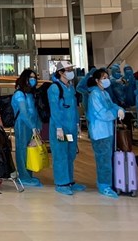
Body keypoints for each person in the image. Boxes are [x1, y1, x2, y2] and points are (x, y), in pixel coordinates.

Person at [86, 68, 125, 198]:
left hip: (107, 131)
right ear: (97, 80)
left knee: (107, 159)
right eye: (104, 78)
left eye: (107, 77)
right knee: (103, 160)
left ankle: (106, 183)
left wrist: (119, 109)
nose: (106, 80)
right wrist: (115, 113)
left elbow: (112, 105)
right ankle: (104, 185)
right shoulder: (94, 95)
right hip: (99, 132)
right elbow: (101, 113)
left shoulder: (105, 93)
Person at [48, 60, 85, 195]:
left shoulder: (70, 87)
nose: (71, 72)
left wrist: (76, 123)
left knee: (70, 154)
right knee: (60, 154)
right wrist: (58, 127)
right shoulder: (54, 88)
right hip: (60, 127)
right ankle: (61, 183)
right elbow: (55, 109)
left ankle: (70, 181)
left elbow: (73, 108)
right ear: (60, 72)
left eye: (71, 69)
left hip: (71, 126)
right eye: (68, 70)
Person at [11, 69, 43, 186]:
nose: (33, 80)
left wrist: (37, 125)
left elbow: (35, 111)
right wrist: (32, 126)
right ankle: (23, 176)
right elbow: (23, 113)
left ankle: (29, 175)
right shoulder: (19, 94)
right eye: (30, 77)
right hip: (23, 124)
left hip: (32, 124)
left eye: (34, 77)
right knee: (22, 150)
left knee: (30, 150)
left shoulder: (31, 94)